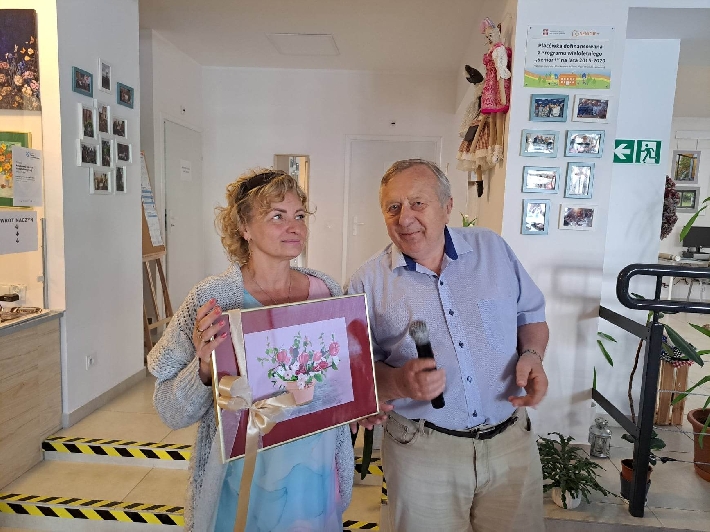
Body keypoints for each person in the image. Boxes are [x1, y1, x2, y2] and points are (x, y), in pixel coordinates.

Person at [348, 159, 549, 532]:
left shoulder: (492, 249)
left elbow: (531, 315)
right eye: (393, 207)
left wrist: (533, 355)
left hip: (511, 442)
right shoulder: (366, 282)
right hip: (421, 449)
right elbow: (357, 374)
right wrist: (399, 382)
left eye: (418, 203)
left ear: (447, 206)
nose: (405, 218)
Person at [148, 169, 354, 532]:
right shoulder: (213, 299)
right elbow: (170, 411)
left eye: (299, 216)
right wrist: (204, 370)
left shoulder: (326, 291)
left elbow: (342, 380)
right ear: (244, 226)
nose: (294, 227)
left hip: (315, 471)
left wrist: (363, 401)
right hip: (245, 477)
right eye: (277, 216)